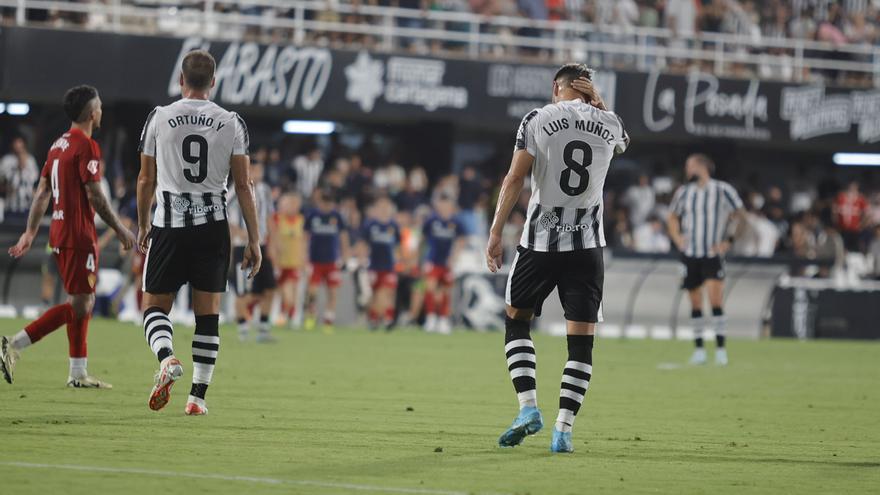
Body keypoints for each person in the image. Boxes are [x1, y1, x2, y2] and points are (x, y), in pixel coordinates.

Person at [486, 64, 628, 454]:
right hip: (587, 246)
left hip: (541, 240)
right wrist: (598, 103)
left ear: (556, 88)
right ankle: (563, 431)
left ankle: (528, 409)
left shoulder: (538, 118)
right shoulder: (610, 122)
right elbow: (622, 142)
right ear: (587, 89)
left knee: (516, 321)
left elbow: (515, 178)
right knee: (580, 344)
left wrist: (496, 231)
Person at [136, 50, 261, 416]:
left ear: (180, 80)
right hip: (213, 227)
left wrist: (144, 223)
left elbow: (146, 178)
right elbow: (243, 185)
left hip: (170, 226)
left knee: (154, 307)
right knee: (208, 315)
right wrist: (253, 239)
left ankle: (166, 357)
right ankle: (197, 399)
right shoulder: (232, 122)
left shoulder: (159, 118)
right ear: (214, 82)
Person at [1, 85, 136, 387]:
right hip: (78, 234)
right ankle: (13, 343)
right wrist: (120, 228)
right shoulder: (87, 146)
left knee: (81, 300)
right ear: (91, 113)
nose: (101, 111)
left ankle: (77, 373)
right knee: (80, 304)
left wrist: (29, 232)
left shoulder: (57, 145)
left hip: (59, 232)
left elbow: (42, 192)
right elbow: (97, 197)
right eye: (99, 106)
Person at [667, 154, 744, 367]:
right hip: (690, 253)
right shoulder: (684, 192)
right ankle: (699, 350)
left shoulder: (722, 190)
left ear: (701, 167)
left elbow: (741, 215)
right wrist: (677, 237)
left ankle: (720, 350)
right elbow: (672, 216)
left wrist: (728, 241)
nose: (687, 170)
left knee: (716, 301)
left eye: (689, 166)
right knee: (695, 302)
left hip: (712, 254)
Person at [228, 161, 277, 343]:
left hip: (262, 245)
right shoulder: (236, 189)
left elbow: (269, 217)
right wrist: (238, 232)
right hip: (243, 247)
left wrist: (273, 244)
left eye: (260, 169)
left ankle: (263, 329)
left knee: (270, 289)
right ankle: (242, 330)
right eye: (254, 169)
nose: (258, 173)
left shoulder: (264, 190)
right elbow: (221, 212)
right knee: (243, 292)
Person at [304, 188, 350, 331]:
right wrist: (304, 257)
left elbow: (343, 238)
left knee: (333, 292)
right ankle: (311, 315)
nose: (328, 206)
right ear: (320, 202)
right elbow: (305, 237)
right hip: (315, 261)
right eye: (325, 202)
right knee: (312, 292)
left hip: (331, 261)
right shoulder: (312, 215)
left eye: (330, 203)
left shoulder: (337, 216)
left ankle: (328, 321)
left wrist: (345, 256)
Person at [421, 195, 465, 334]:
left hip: (448, 263)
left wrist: (454, 257)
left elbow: (462, 240)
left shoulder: (456, 222)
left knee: (445, 291)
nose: (445, 208)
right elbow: (422, 239)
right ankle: (431, 317)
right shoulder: (431, 221)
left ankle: (443, 319)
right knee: (430, 288)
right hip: (433, 260)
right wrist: (421, 258)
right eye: (442, 205)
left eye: (447, 206)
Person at [358, 196, 401, 330]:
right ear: (376, 209)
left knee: (387, 291)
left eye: (386, 207)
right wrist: (362, 258)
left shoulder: (393, 226)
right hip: (374, 265)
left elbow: (397, 246)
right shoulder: (370, 225)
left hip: (389, 266)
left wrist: (399, 260)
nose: (383, 209)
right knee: (376, 294)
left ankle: (387, 318)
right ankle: (375, 317)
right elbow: (363, 243)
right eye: (381, 206)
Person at [273, 192, 306, 328]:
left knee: (291, 293)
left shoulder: (301, 220)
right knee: (279, 292)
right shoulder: (277, 219)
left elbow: (304, 241)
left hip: (294, 263)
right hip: (280, 263)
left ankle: (290, 317)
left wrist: (304, 259)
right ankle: (284, 316)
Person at [0, 136, 40, 217]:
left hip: (27, 206)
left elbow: (34, 179)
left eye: (20, 146)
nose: (18, 148)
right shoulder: (7, 160)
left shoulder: (30, 160)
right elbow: (3, 180)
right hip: (10, 205)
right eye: (16, 145)